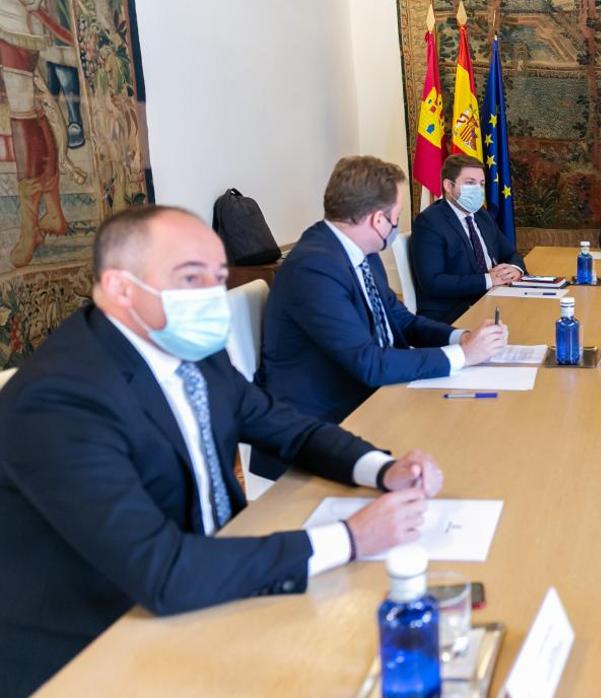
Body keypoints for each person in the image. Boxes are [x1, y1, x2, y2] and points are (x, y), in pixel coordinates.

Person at [0, 206, 445, 697]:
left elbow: (286, 427)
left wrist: (382, 468)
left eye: (217, 277)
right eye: (191, 278)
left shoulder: (189, 347)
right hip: (98, 644)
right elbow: (163, 571)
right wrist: (350, 539)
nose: (211, 297)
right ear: (122, 288)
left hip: (212, 587)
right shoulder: (61, 399)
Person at [257, 156, 505, 479]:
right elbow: (370, 364)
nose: (397, 227)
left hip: (377, 397)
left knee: (475, 436)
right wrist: (462, 357)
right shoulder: (313, 268)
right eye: (397, 218)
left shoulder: (361, 252)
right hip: (326, 425)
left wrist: (461, 338)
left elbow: (401, 320)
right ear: (378, 220)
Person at [410, 154, 528, 323]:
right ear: (449, 186)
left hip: (493, 298)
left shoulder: (481, 214)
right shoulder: (429, 222)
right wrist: (488, 280)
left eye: (481, 184)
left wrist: (515, 269)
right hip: (453, 312)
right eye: (470, 183)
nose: (478, 190)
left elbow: (510, 253)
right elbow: (433, 283)